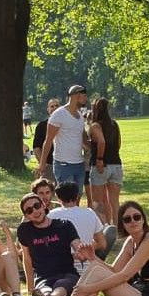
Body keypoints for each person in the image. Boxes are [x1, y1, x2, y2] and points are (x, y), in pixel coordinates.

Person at [32, 201, 149, 296]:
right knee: (94, 268)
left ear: (143, 219)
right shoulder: (131, 242)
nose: (133, 221)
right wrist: (92, 257)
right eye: (127, 219)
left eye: (137, 217)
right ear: (122, 224)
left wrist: (89, 288)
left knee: (96, 273)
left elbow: (124, 276)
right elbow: (114, 270)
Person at [17, 192, 86, 296]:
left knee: (62, 286)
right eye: (29, 210)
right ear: (26, 215)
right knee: (44, 290)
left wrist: (81, 253)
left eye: (37, 206)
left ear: (43, 205)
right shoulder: (24, 230)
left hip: (67, 273)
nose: (35, 211)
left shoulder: (64, 225)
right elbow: (27, 259)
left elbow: (78, 247)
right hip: (43, 277)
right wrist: (30, 288)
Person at [50, 181, 116, 270]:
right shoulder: (89, 213)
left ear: (58, 197)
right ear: (77, 196)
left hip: (59, 263)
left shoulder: (51, 215)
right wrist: (85, 248)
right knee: (110, 230)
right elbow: (102, 243)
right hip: (86, 262)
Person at [39, 85, 87, 189]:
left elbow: (83, 140)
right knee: (66, 197)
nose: (86, 98)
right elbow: (48, 140)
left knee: (77, 197)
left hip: (79, 163)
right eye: (84, 95)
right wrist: (42, 164)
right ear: (76, 95)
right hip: (63, 164)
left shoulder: (80, 116)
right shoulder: (59, 114)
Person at [88, 98, 123, 226]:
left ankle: (103, 227)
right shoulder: (114, 124)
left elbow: (101, 141)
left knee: (97, 201)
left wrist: (100, 159)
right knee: (114, 201)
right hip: (116, 164)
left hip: (101, 165)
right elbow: (119, 143)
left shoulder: (95, 125)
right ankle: (117, 227)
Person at [32, 98, 60, 183]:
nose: (54, 108)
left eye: (57, 106)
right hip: (49, 165)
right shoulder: (41, 126)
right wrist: (42, 164)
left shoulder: (66, 125)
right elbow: (36, 148)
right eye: (52, 106)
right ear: (48, 109)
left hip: (65, 164)